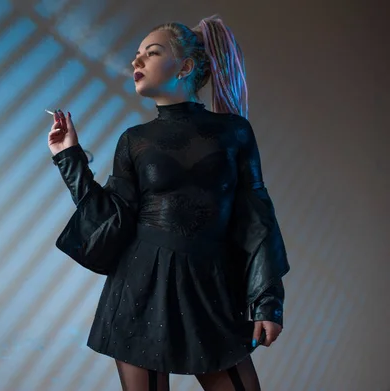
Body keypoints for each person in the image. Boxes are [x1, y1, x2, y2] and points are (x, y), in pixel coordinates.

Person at [47, 15, 289, 391]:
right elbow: (112, 220)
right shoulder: (134, 140)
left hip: (209, 290)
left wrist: (267, 301)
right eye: (137, 54)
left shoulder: (234, 132)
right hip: (138, 289)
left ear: (186, 66)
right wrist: (69, 157)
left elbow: (257, 218)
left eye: (152, 52)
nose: (136, 61)